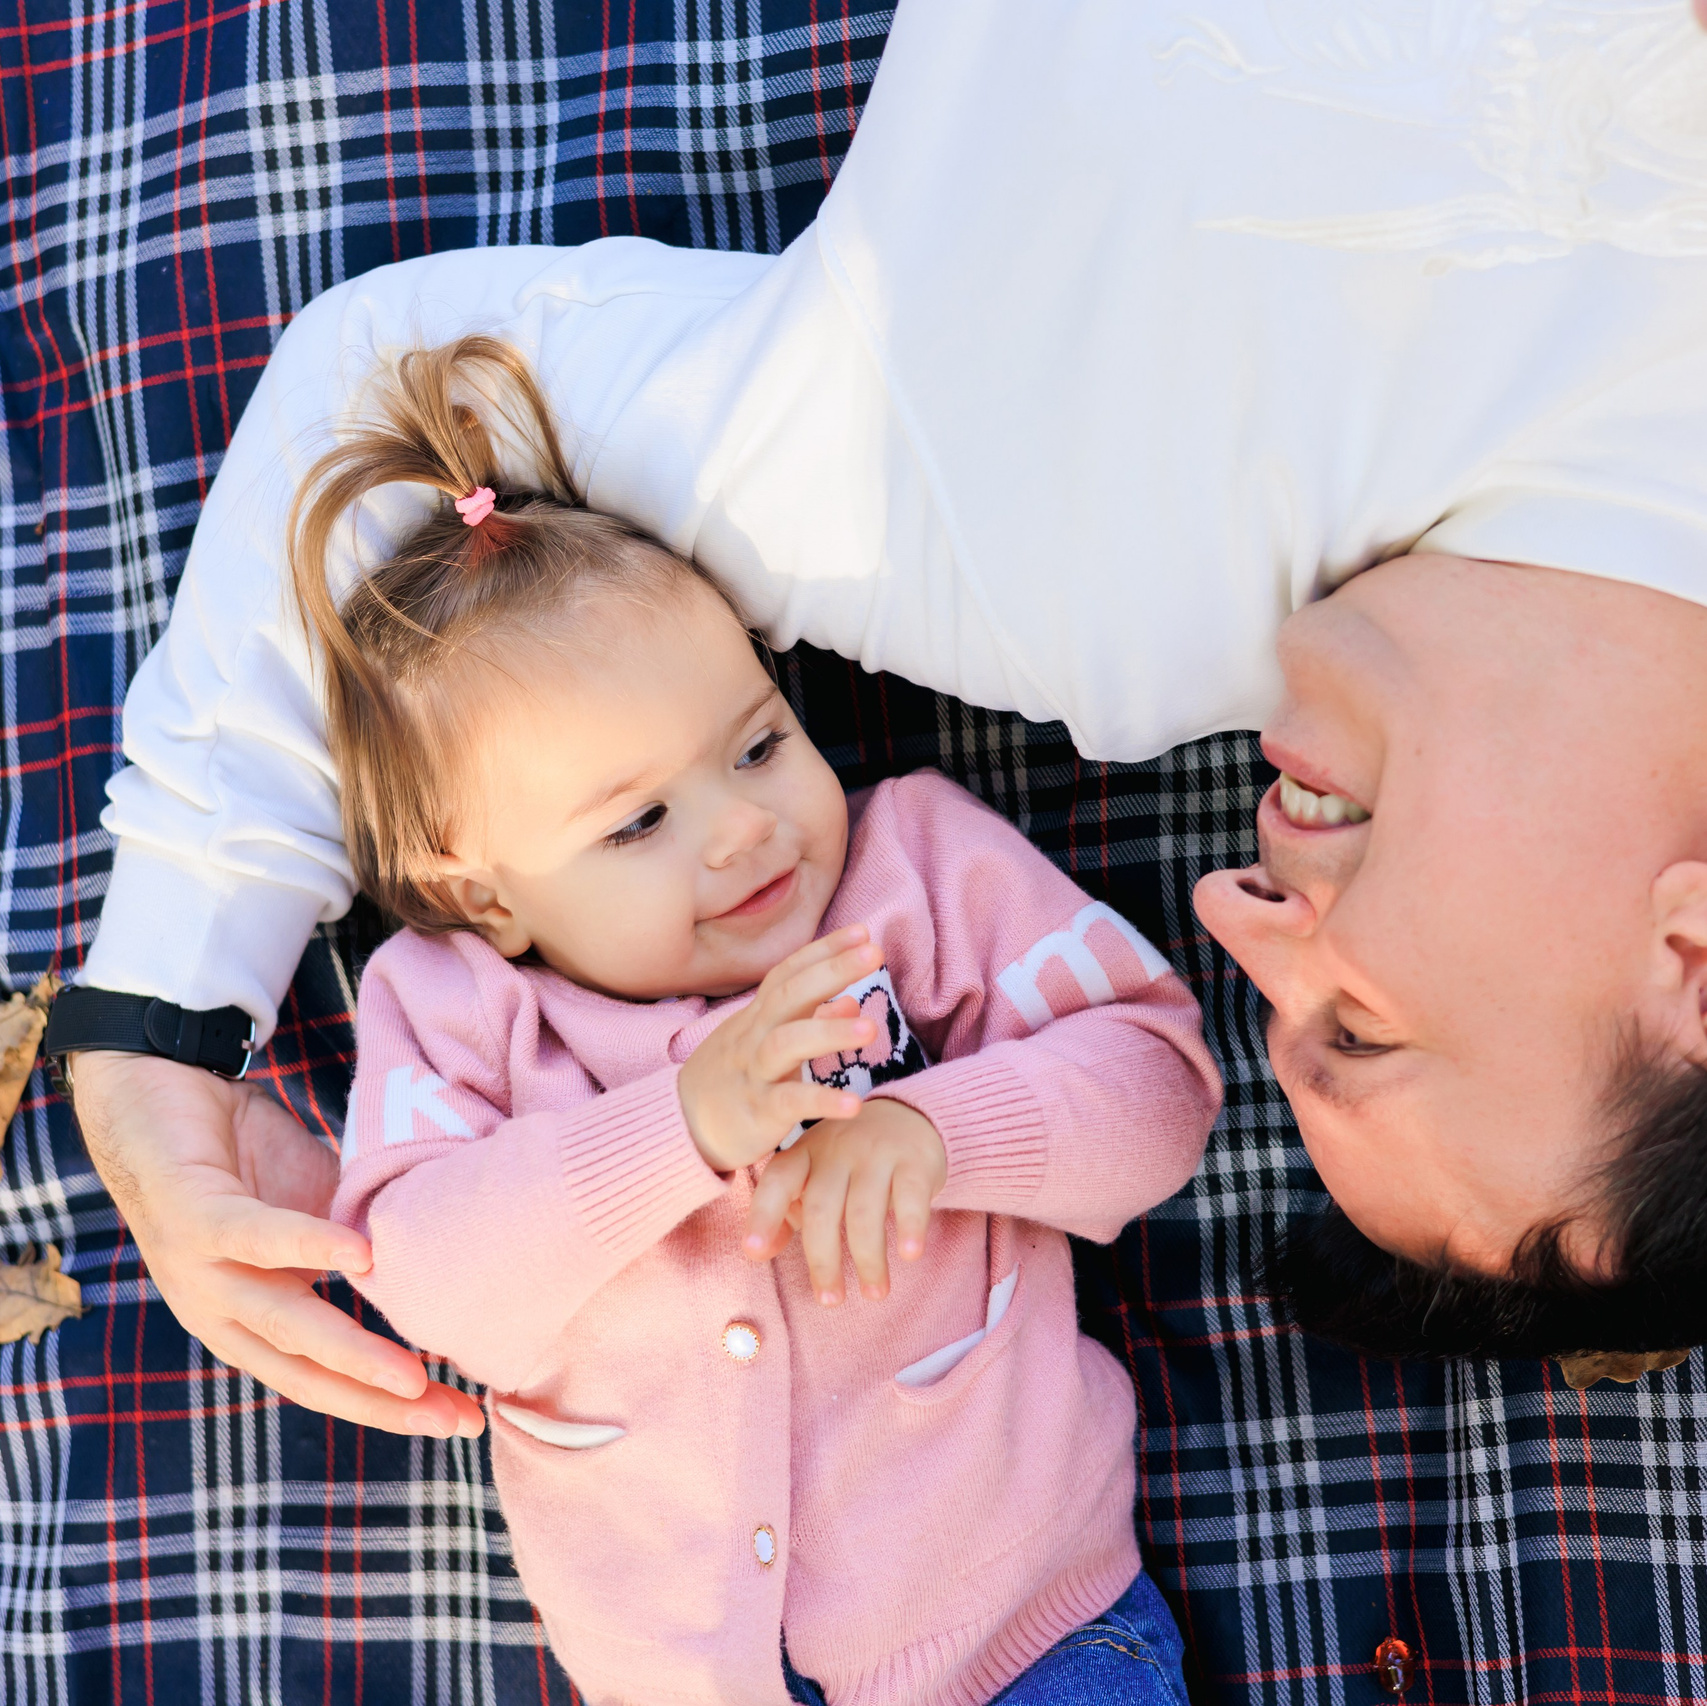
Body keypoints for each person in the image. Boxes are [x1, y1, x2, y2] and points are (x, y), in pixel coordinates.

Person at [58, 0, 1707, 1434]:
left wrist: (156, 1027)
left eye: (1272, 1019)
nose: (1228, 911)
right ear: (1690, 962)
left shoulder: (1040, 575)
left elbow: (411, 400)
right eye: (1360, 1025)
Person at [289, 336, 1217, 1704]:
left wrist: (932, 1127)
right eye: (642, 821)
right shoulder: (452, 1007)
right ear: (480, 893)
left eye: (760, 741)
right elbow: (430, 1282)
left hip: (1027, 1633)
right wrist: (679, 1127)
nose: (743, 829)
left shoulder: (913, 879)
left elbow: (1158, 1084)